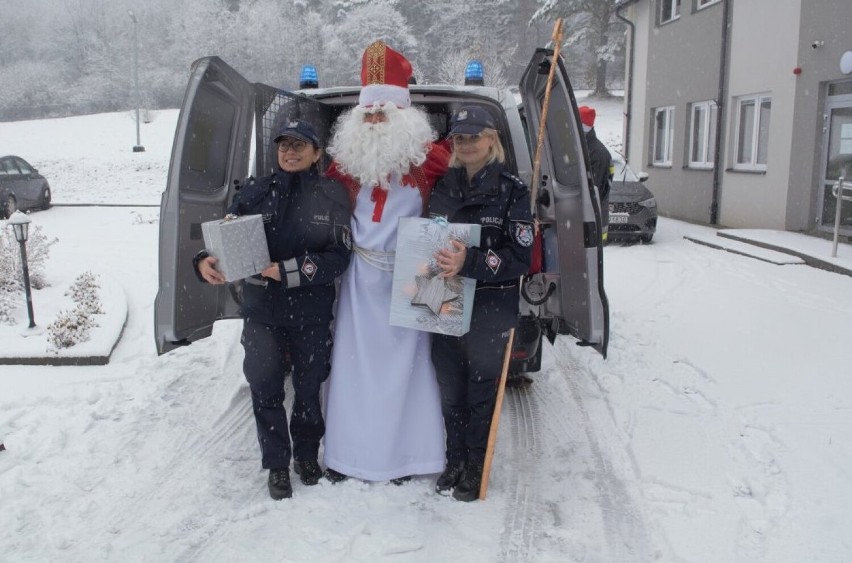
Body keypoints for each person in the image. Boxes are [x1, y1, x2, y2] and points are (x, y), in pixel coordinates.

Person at [194, 120, 352, 500]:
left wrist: (288, 270)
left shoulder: (333, 195)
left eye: (300, 145)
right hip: (262, 310)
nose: (290, 152)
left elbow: (339, 256)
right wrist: (203, 260)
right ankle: (277, 464)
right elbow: (221, 238)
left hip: (311, 310)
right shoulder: (254, 192)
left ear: (317, 153)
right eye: (284, 145)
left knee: (309, 387)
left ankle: (307, 455)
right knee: (264, 388)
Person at [321, 41, 450, 483]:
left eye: (384, 114)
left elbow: (467, 186)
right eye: (368, 115)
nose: (375, 122)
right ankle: (348, 455)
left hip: (417, 275)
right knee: (353, 366)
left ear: (403, 116)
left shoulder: (432, 160)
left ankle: (407, 458)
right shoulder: (343, 163)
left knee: (411, 370)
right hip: (359, 278)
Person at [427, 106, 533, 501]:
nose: (467, 144)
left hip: (489, 309)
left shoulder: (513, 191)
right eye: (460, 138)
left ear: (492, 139)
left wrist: (469, 262)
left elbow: (519, 258)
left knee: (480, 393)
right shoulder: (443, 186)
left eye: (475, 136)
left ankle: (474, 465)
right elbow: (431, 239)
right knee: (450, 391)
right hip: (445, 303)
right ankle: (453, 461)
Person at [579, 105, 613, 240]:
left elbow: (594, 190)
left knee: (591, 259)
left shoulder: (598, 153)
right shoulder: (586, 148)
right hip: (590, 219)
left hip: (594, 222)